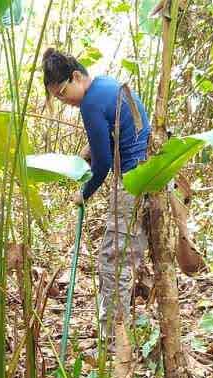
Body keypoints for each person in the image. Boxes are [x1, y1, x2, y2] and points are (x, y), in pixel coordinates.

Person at [42, 48, 152, 346]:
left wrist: (84, 193)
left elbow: (103, 163)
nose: (65, 102)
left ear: (76, 77)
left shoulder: (90, 104)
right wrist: (86, 155)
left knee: (112, 259)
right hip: (150, 171)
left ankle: (115, 340)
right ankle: (128, 330)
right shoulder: (108, 85)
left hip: (131, 177)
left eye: (63, 93)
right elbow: (117, 130)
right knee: (130, 252)